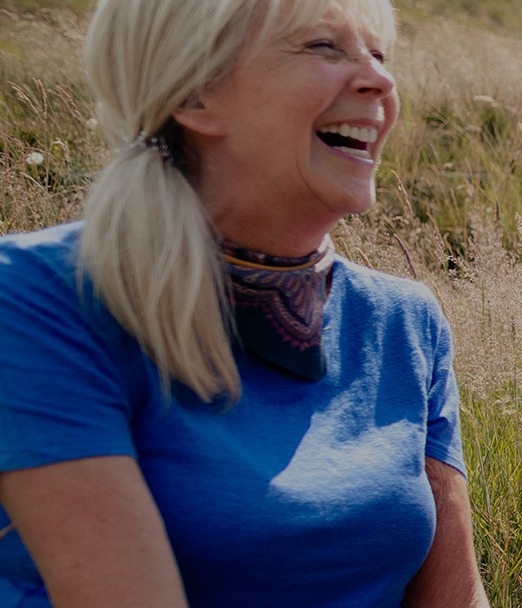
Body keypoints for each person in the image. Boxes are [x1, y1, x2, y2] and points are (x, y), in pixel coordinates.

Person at [0, 0, 487, 605]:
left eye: (380, 55)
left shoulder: (404, 322)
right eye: (322, 47)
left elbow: (455, 599)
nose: (381, 82)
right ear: (196, 93)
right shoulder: (39, 297)